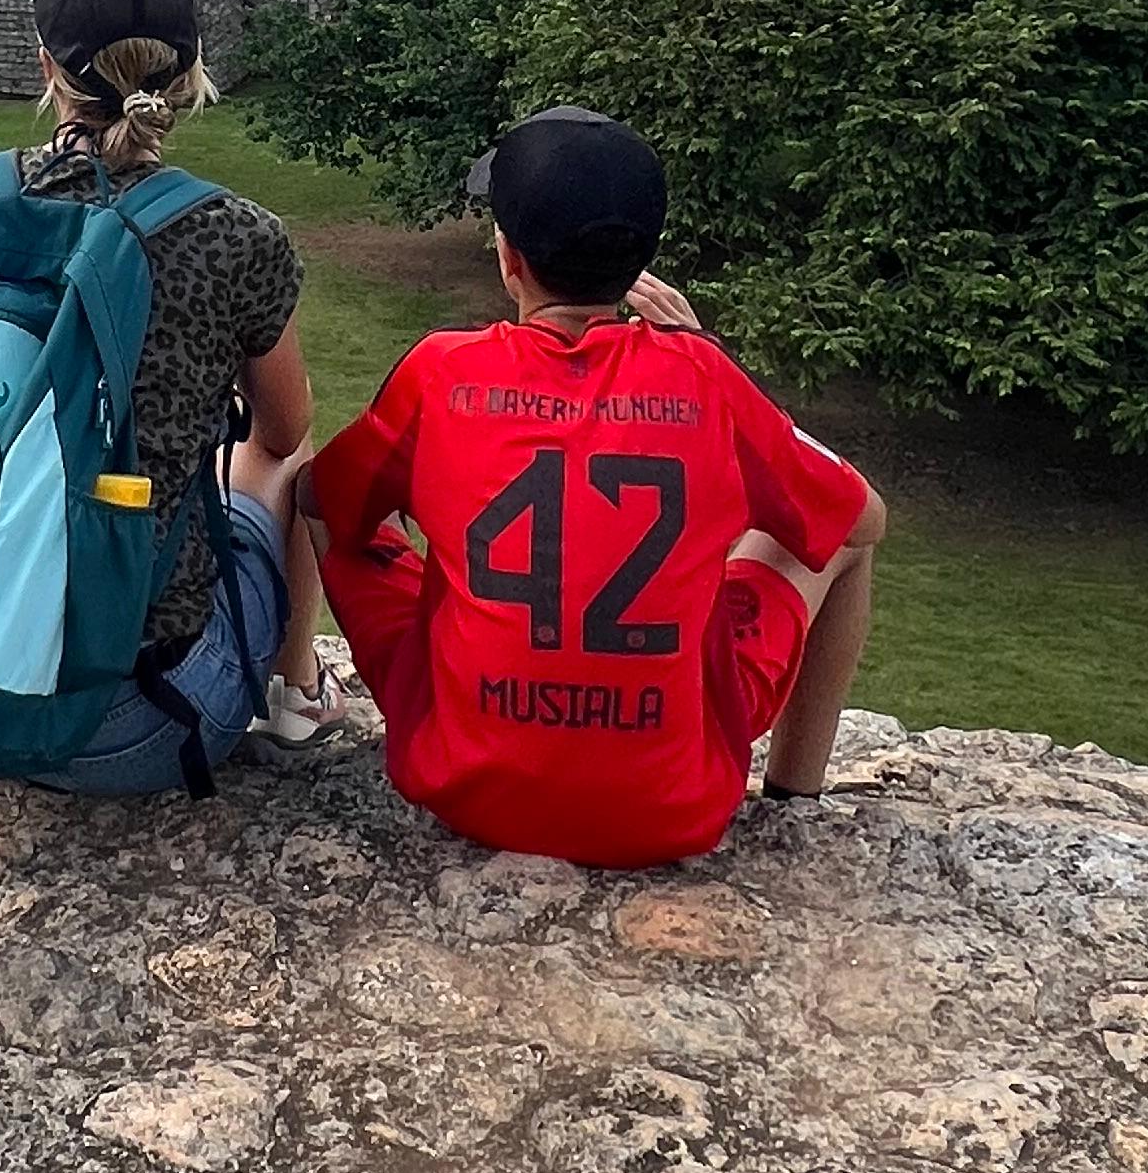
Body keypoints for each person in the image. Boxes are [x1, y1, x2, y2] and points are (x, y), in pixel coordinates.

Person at [307, 106, 883, 869]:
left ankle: (312, 695)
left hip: (463, 786)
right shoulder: (705, 378)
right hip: (673, 809)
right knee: (831, 537)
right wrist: (705, 355)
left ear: (509, 258)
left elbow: (326, 501)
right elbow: (863, 518)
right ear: (644, 261)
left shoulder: (440, 370)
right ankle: (791, 800)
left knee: (331, 509)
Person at [6, 0, 348, 790]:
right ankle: (297, 694)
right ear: (190, 71)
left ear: (48, 66)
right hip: (141, 721)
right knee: (292, 452)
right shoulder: (236, 234)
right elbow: (283, 432)